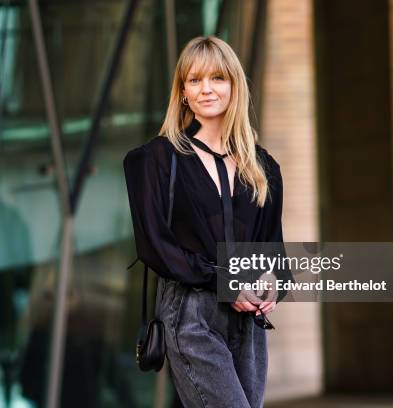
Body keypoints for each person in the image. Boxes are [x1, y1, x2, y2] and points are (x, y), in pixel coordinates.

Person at [123, 36, 292, 408]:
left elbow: (273, 253)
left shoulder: (264, 168)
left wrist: (270, 284)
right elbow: (154, 245)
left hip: (248, 320)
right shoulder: (154, 160)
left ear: (234, 86)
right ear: (182, 92)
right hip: (191, 311)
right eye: (194, 80)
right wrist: (225, 281)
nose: (206, 89)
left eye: (217, 78)